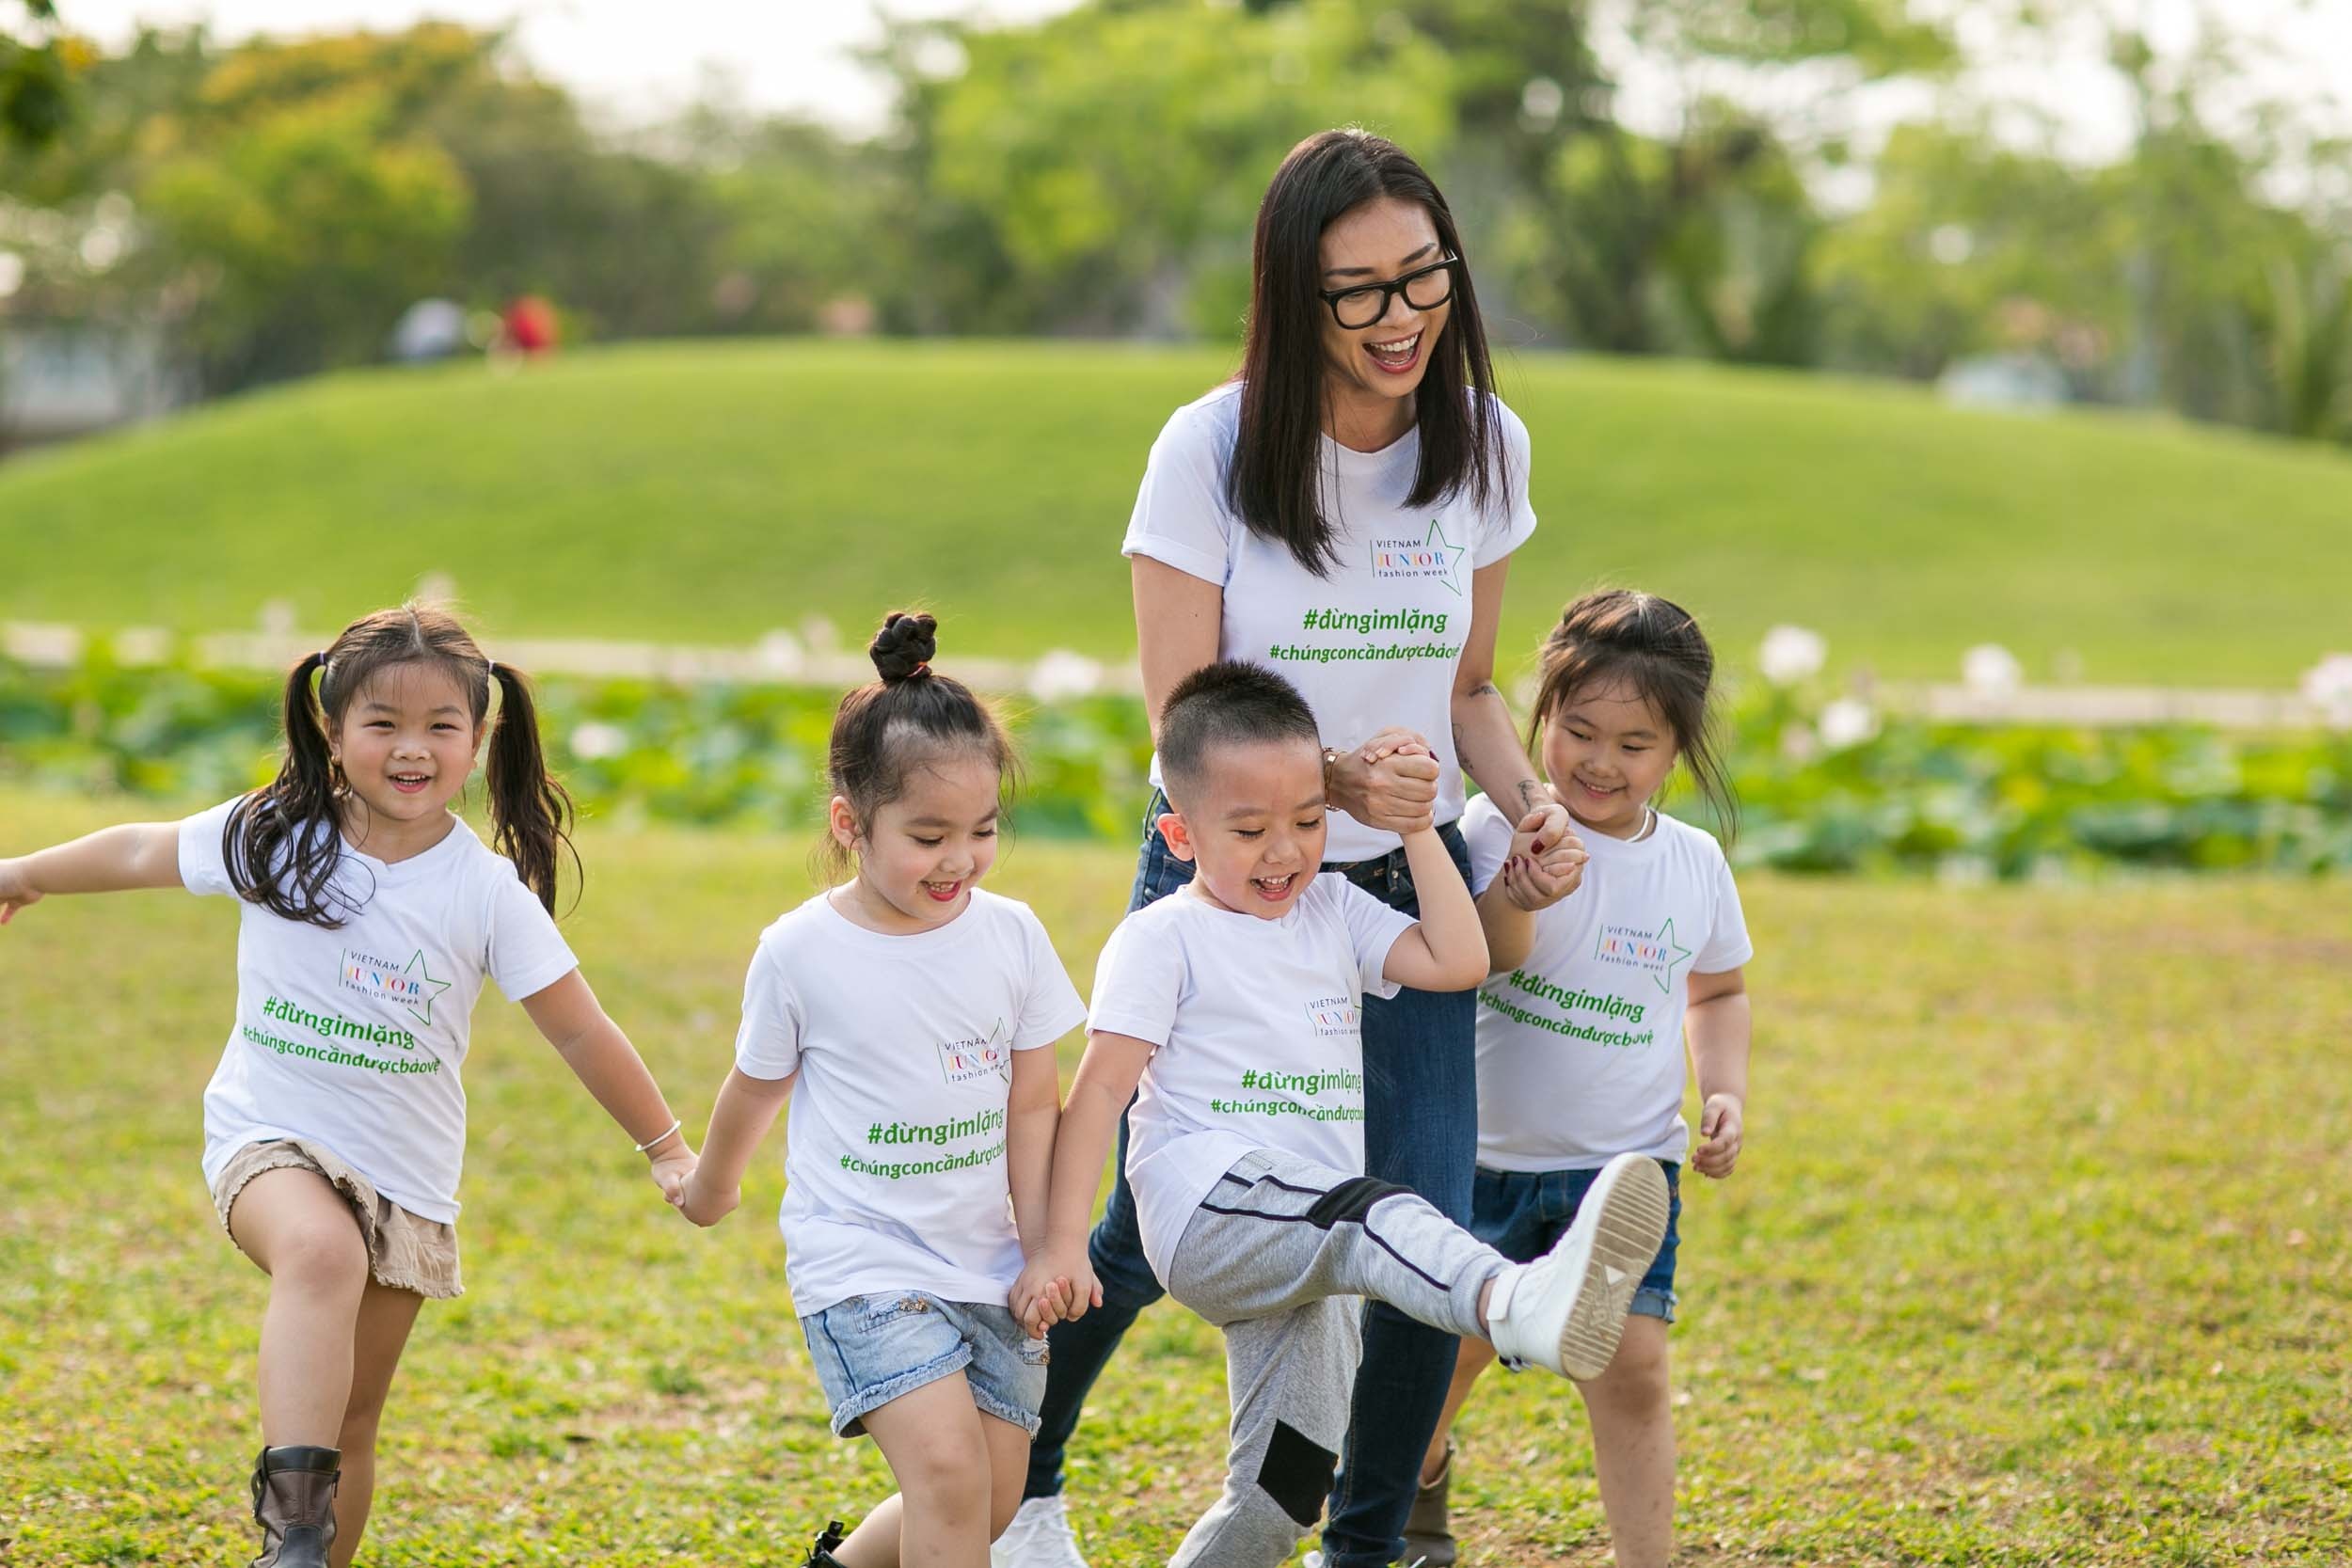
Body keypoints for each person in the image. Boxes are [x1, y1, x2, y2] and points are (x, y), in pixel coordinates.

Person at [996, 125, 1579, 1568]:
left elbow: (1468, 687)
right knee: (1144, 1224)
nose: (1400, 317)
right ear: (1290, 294)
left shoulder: (1485, 443)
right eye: (1357, 291)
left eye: (1422, 275)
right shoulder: (1208, 448)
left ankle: (1362, 1547)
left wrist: (1528, 805)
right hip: (1232, 873)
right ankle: (1018, 1479)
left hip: (1407, 875)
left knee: (1421, 1217)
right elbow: (1182, 716)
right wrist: (1332, 781)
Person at [0, 604, 695, 1568]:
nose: (411, 748)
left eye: (440, 725)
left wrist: (667, 1146)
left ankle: (314, 1554)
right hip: (269, 1135)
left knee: (352, 1420)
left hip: (405, 1178)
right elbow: (139, 849)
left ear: (478, 738)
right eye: (382, 723)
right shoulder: (278, 835)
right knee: (320, 1252)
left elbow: (580, 1026)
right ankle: (291, 1533)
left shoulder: (485, 890)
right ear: (333, 730)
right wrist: (22, 871)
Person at [1019, 660, 1670, 1568]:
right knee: (1376, 1212)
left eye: (1307, 821)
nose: (1284, 851)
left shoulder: (1332, 907)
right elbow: (1096, 1092)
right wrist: (1059, 1245)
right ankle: (1516, 1300)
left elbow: (1458, 959)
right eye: (1249, 829)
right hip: (1209, 1210)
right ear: (1179, 832)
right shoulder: (1162, 936)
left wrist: (1417, 829)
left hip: (1308, 1243)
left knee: (1282, 1495)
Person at [675, 612, 1089, 1568]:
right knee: (946, 1474)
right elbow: (754, 1085)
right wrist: (711, 1184)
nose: (960, 859)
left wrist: (1043, 1246)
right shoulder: (800, 951)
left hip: (988, 1260)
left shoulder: (1014, 934)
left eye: (983, 830)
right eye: (928, 835)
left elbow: (1035, 1103)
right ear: (849, 825)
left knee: (990, 1498)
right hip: (862, 1258)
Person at [1406, 590, 1754, 1568]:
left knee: (1633, 1367)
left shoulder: (1694, 864)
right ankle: (1413, 1498)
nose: (1600, 762)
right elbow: (1482, 957)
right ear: (1540, 717)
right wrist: (1517, 891)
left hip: (1624, 1174)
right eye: (1579, 731)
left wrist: (1724, 1088)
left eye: (1634, 743)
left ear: (1677, 750)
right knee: (1445, 1360)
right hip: (1480, 1163)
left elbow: (1718, 989)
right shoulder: (1492, 828)